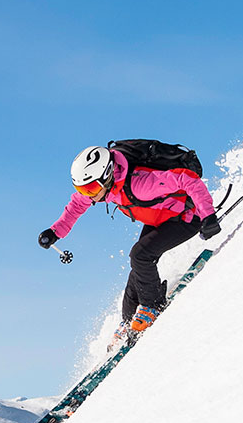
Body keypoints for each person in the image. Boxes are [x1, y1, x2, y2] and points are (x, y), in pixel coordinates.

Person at [38, 144, 222, 336]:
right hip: (161, 217)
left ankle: (152, 305)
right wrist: (55, 232)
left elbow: (187, 179)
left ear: (107, 175)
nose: (87, 194)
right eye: (82, 188)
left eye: (91, 188)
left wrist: (208, 215)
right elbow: (77, 204)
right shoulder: (106, 189)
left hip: (187, 217)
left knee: (140, 255)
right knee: (138, 266)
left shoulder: (140, 184)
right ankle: (128, 320)